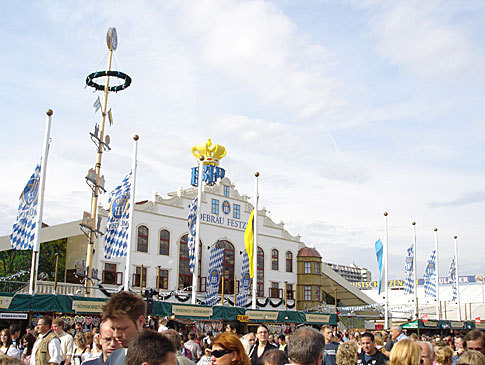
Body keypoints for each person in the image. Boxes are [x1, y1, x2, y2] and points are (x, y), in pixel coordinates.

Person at [103, 291, 146, 365]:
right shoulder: (114, 357)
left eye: (122, 329)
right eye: (113, 329)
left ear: (140, 321)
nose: (116, 335)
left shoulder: (161, 357)